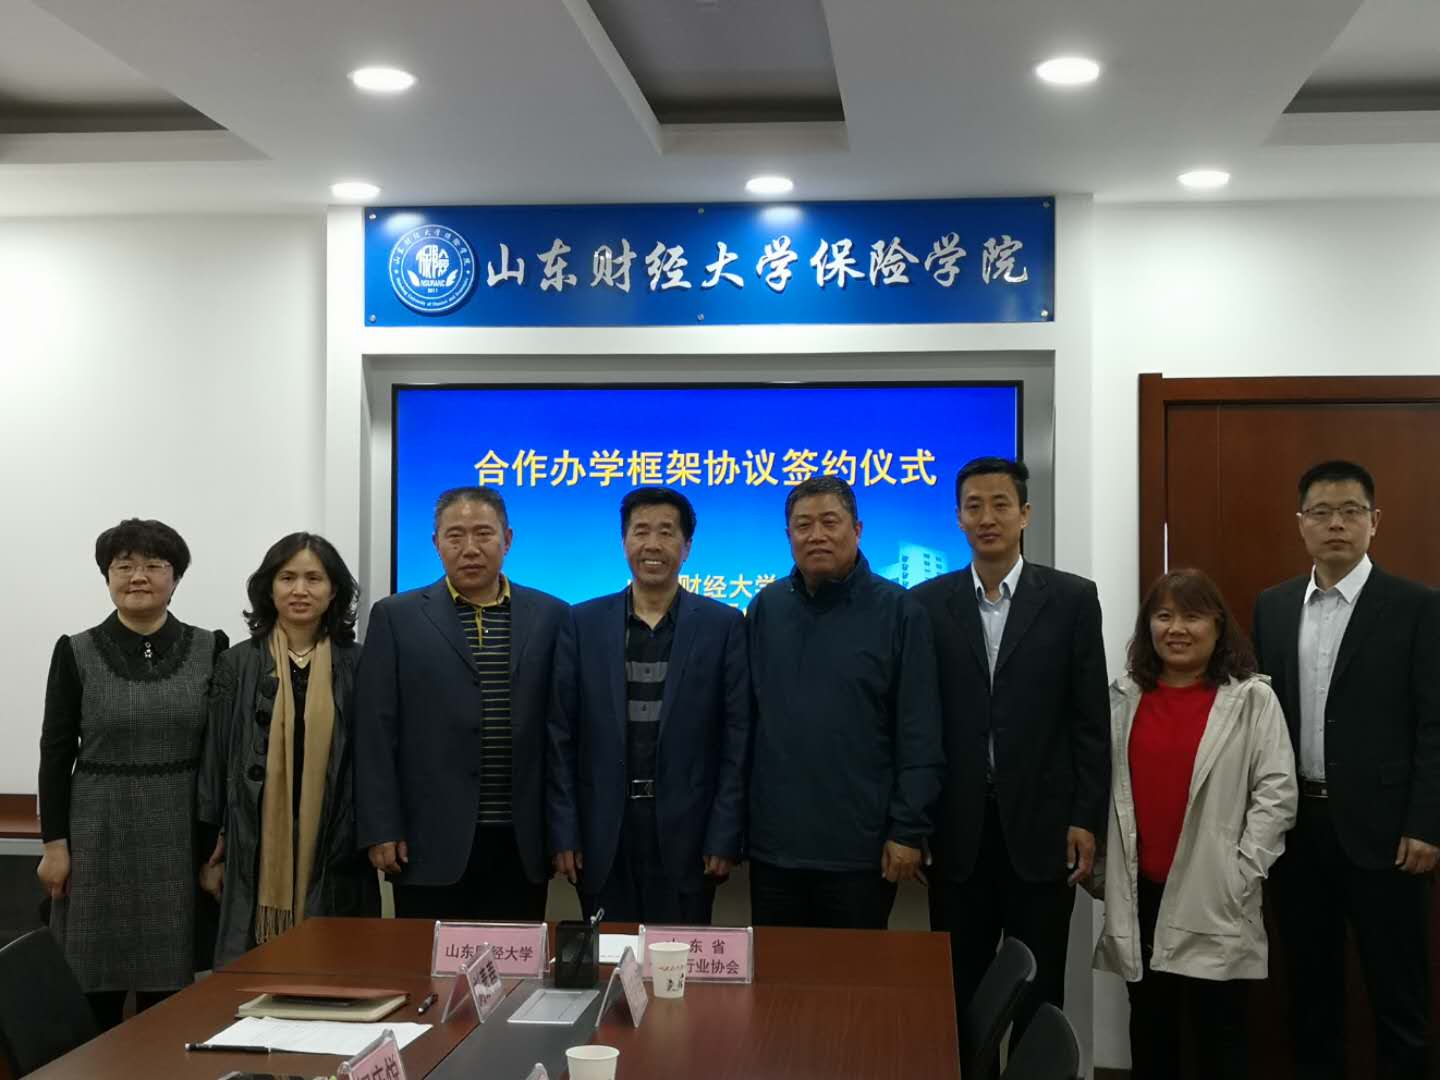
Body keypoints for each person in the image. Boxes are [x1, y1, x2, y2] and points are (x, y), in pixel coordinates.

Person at [911, 456, 1109, 1048]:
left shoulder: (1071, 599)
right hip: (957, 831)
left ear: (1025, 514)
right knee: (959, 990)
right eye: (973, 506)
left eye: (1000, 504)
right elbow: (917, 722)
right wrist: (916, 821)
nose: (987, 517)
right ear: (958, 518)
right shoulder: (926, 604)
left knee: (1039, 990)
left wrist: (1085, 817)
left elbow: (1089, 720)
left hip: (1045, 830)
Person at [1254, 459, 1440, 1080]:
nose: (1336, 523)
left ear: (1374, 521)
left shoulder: (1417, 606)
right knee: (1310, 993)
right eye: (1322, 512)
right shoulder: (1274, 606)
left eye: (1351, 511)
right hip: (1298, 830)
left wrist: (1426, 823)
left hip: (1389, 836)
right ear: (1301, 523)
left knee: (1399, 996)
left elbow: (1434, 723)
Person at [1091, 569, 1297, 1080]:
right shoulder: (1123, 699)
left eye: (1192, 616)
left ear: (1218, 626)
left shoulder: (1251, 700)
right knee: (1150, 1031)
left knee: (1220, 1037)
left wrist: (1241, 872)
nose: (1176, 628)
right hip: (1143, 892)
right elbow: (1100, 789)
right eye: (1163, 616)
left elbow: (1276, 795)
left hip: (1216, 893)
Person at [36, 519, 227, 1030]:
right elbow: (55, 753)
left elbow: (221, 755)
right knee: (91, 986)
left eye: (153, 565)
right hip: (98, 835)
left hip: (180, 832)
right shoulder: (75, 650)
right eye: (124, 566)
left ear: (175, 578)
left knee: (172, 998)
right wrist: (54, 845)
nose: (138, 576)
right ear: (107, 576)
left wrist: (217, 846)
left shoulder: (212, 647)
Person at [355, 486, 568, 921]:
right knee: (428, 958)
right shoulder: (396, 616)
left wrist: (564, 832)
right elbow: (375, 730)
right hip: (427, 839)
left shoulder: (551, 615)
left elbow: (562, 732)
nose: (470, 548)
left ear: (507, 539)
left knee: (515, 960)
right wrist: (381, 827)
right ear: (436, 543)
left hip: (522, 840)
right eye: (455, 536)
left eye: (483, 534)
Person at [746, 475, 944, 929]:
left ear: (857, 530)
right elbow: (745, 724)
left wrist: (908, 830)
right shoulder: (766, 608)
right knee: (776, 972)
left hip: (862, 852)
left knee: (853, 973)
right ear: (788, 536)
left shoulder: (900, 612)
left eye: (829, 522)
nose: (816, 535)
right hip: (775, 849)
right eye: (803, 525)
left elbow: (920, 733)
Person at [548, 487, 750, 923]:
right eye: (641, 531)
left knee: (680, 959)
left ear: (687, 546)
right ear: (624, 542)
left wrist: (724, 834)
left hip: (690, 836)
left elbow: (736, 740)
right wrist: (565, 831)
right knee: (607, 958)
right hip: (603, 834)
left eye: (666, 532)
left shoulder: (723, 625)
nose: (652, 545)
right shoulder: (581, 623)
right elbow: (561, 735)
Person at [197, 533, 379, 968]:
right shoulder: (236, 663)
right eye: (287, 578)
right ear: (269, 588)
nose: (300, 590)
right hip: (252, 844)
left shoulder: (359, 663)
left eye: (314, 578)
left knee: (338, 969)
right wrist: (209, 851)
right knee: (252, 977)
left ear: (333, 591)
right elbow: (215, 762)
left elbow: (375, 760)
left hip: (336, 842)